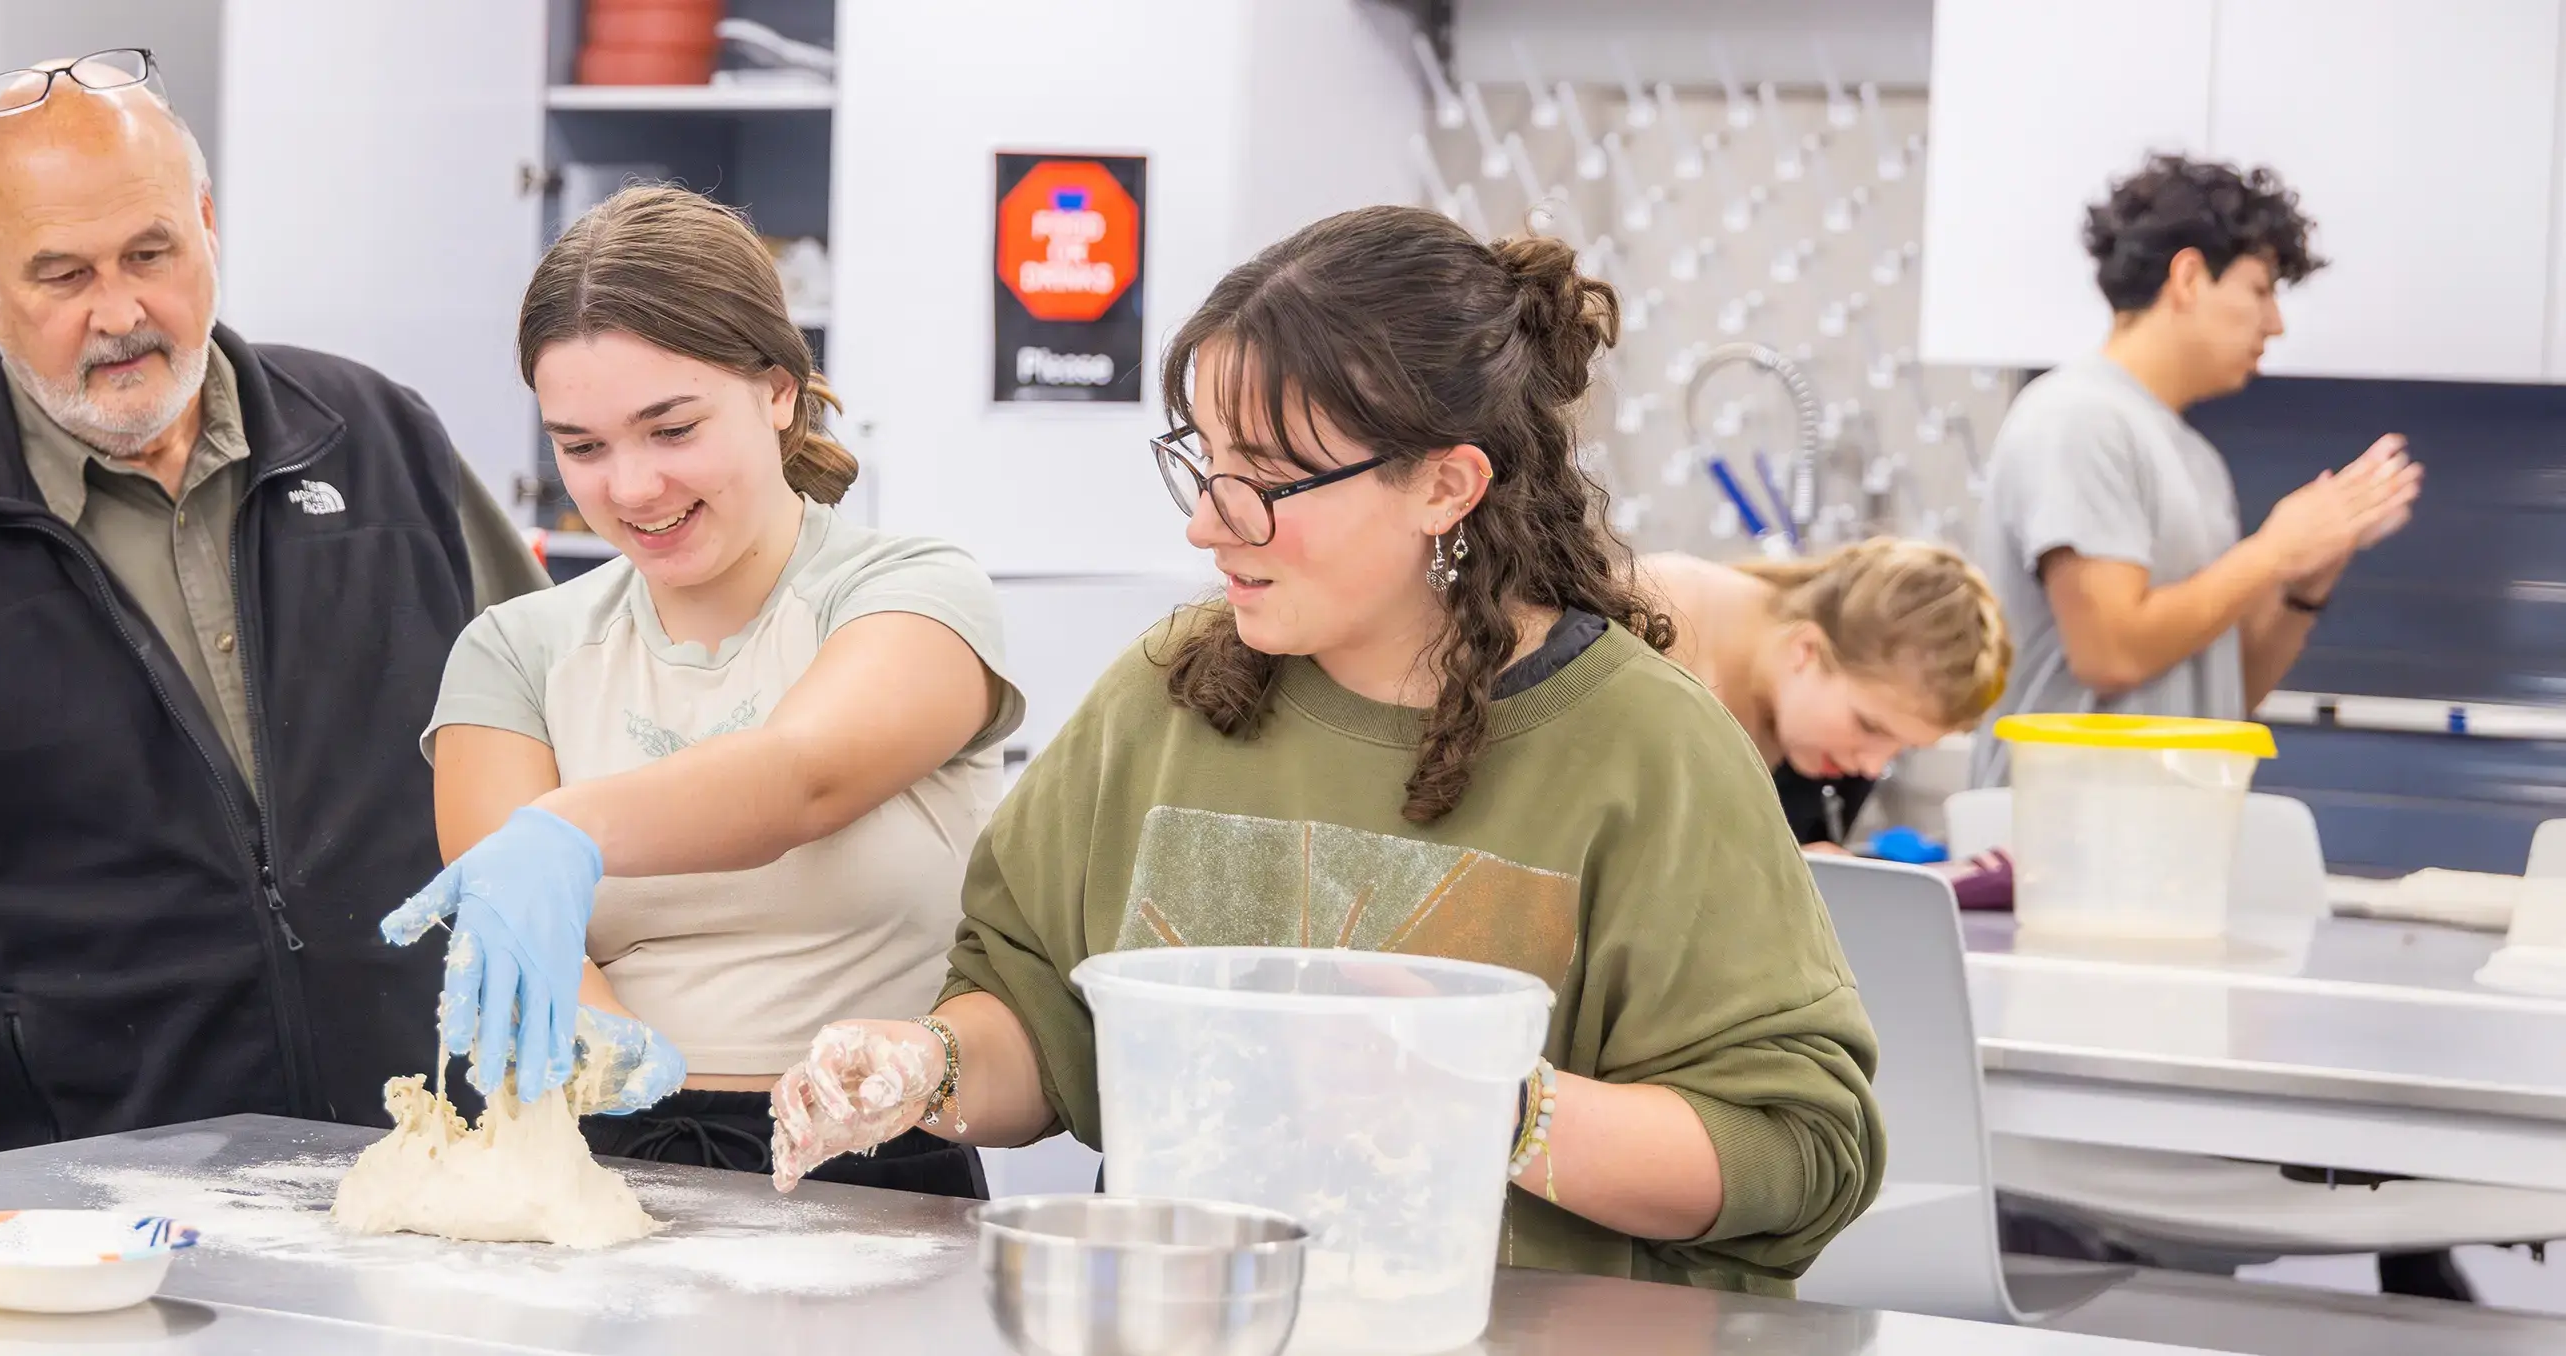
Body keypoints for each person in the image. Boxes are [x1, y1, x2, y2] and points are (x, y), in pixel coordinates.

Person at [765, 207, 1885, 1295]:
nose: (1208, 522)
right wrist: (931, 1067)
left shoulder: (1648, 752)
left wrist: (1487, 1102)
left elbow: (1796, 1154)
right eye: (1204, 464)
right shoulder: (1171, 697)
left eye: (1263, 480)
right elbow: (1039, 1020)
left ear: (1446, 485)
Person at [0, 53, 549, 1171]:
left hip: (445, 1171)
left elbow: (544, 751)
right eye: (61, 275)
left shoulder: (383, 443)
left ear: (206, 222)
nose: (120, 311)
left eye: (152, 253)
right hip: (93, 1228)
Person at [395, 186, 1017, 1197]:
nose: (631, 489)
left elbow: (798, 778)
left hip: (873, 1169)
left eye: (672, 428)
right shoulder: (515, 652)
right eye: (582, 447)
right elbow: (526, 949)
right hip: (606, 1155)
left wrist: (561, 831)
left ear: (777, 391)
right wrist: (653, 1122)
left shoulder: (913, 595)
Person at [1970, 153, 2420, 786]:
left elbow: (2221, 698)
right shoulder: (2079, 418)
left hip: (2165, 840)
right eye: (2260, 291)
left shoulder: (2195, 458)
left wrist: (2304, 580)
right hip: (2057, 847)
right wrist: (2271, 553)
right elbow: (2112, 652)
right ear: (2187, 278)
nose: (2276, 323)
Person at [1637, 540, 2010, 847]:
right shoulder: (1656, 618)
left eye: (1900, 747)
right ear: (1807, 649)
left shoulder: (1812, 736)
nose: (1872, 766)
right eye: (1869, 726)